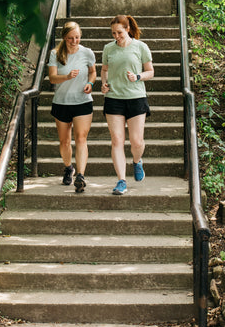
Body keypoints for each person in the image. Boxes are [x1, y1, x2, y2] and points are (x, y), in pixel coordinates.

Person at [101, 15, 154, 195]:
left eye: (120, 32)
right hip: (114, 98)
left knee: (136, 142)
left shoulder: (141, 47)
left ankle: (137, 161)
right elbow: (104, 69)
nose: (116, 36)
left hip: (136, 97)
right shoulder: (108, 48)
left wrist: (138, 76)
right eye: (114, 33)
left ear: (128, 29)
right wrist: (104, 83)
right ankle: (121, 180)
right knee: (117, 140)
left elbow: (150, 72)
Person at [48, 21, 96, 193]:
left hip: (83, 101)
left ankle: (81, 176)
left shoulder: (87, 53)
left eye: (77, 37)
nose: (74, 41)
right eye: (70, 38)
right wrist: (67, 76)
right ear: (64, 38)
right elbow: (52, 78)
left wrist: (90, 83)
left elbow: (93, 71)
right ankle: (69, 168)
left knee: (81, 138)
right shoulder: (56, 53)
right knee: (64, 141)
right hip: (61, 102)